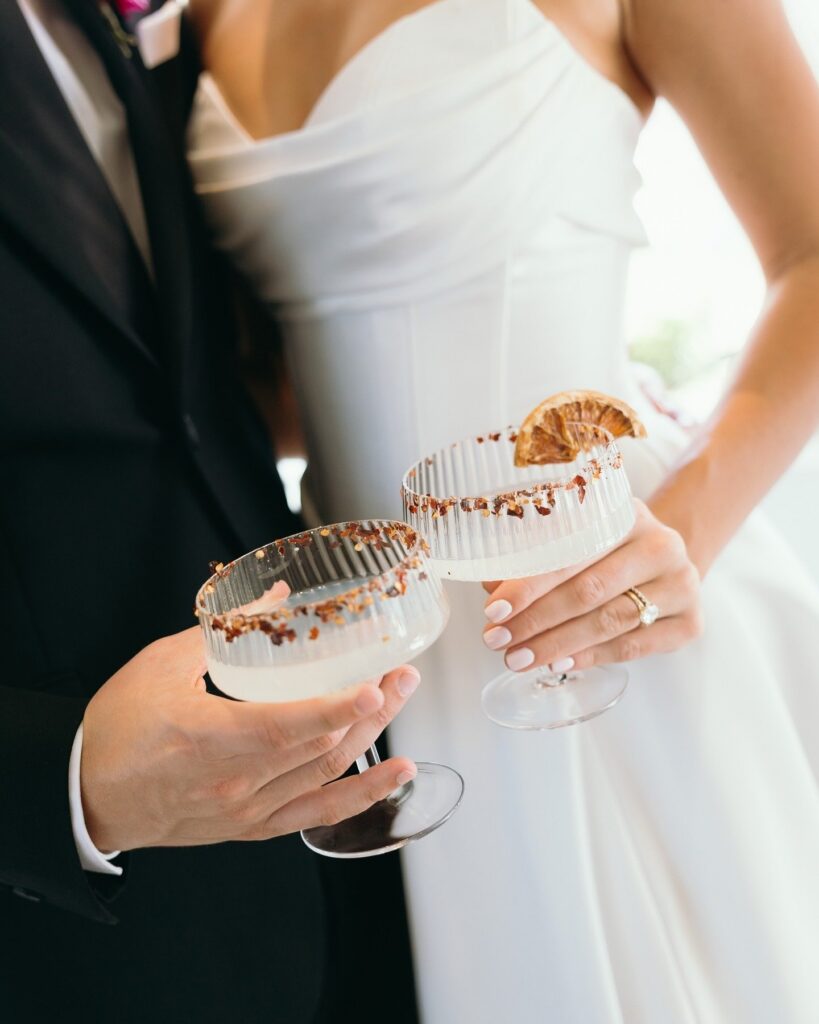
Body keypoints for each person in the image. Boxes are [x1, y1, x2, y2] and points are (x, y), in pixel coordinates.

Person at [185, 0, 819, 1020]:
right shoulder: (201, 16)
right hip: (372, 663)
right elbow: (278, 388)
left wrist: (682, 535)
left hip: (600, 612)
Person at [0, 1, 422, 1020]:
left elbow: (186, 399)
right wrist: (70, 779)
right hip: (70, 940)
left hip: (351, 847)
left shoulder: (116, 29)